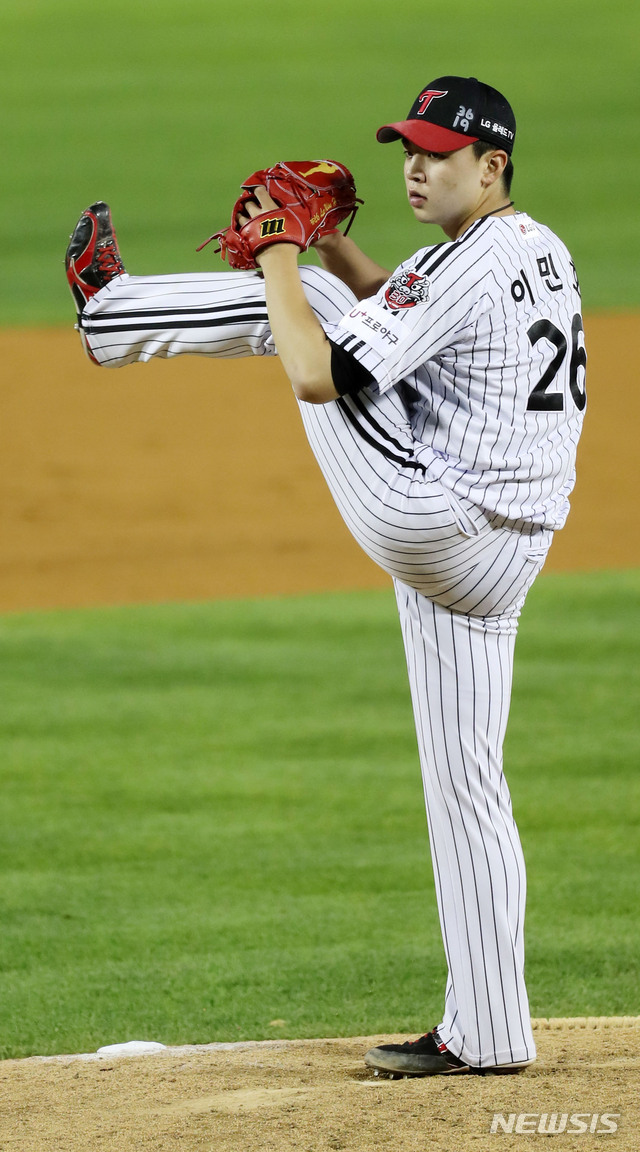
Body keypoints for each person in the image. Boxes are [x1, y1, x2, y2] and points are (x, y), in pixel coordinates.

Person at [65, 76, 586, 1076]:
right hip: (503, 558)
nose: (416, 166)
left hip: (433, 522)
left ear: (493, 166)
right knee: (468, 786)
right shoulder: (535, 250)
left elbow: (320, 372)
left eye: (439, 153)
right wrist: (340, 244)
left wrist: (281, 250)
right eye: (410, 149)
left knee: (298, 303)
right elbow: (420, 325)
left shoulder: (465, 264)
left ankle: (110, 316)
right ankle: (489, 1029)